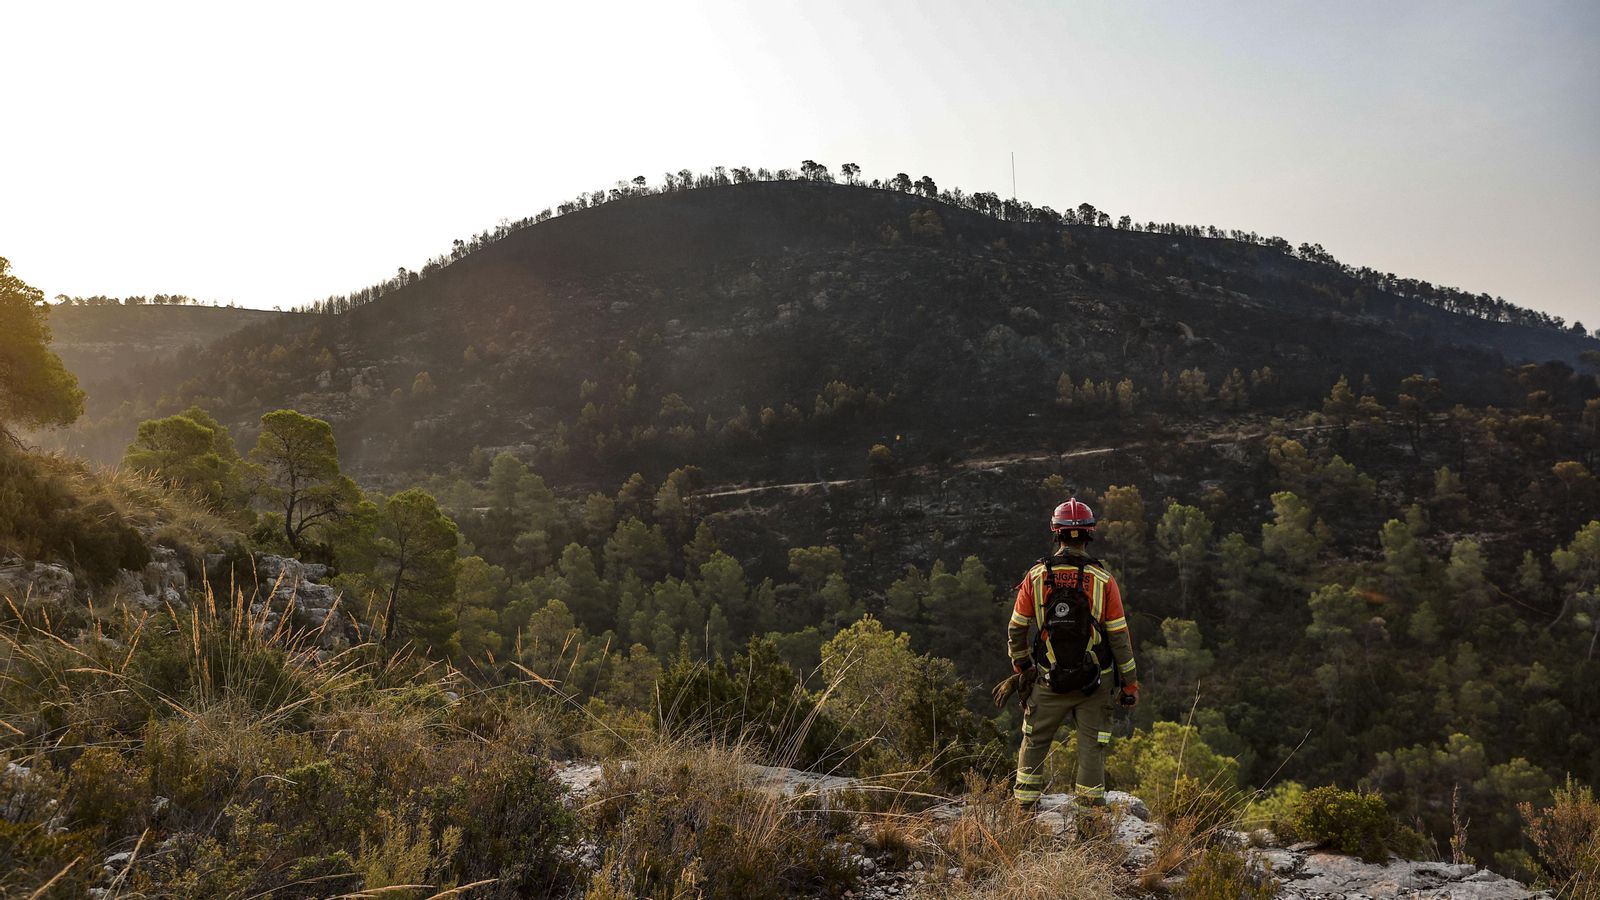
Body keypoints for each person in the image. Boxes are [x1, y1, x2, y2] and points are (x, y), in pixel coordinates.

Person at [1006, 498, 1139, 809]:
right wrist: (1129, 685)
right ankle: (1089, 822)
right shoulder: (1103, 580)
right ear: (1089, 534)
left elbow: (1016, 630)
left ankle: (1023, 814)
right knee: (1092, 747)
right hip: (1095, 683)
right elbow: (1119, 639)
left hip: (1048, 680)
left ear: (1057, 533)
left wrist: (1023, 666)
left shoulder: (1036, 576)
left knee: (1035, 742)